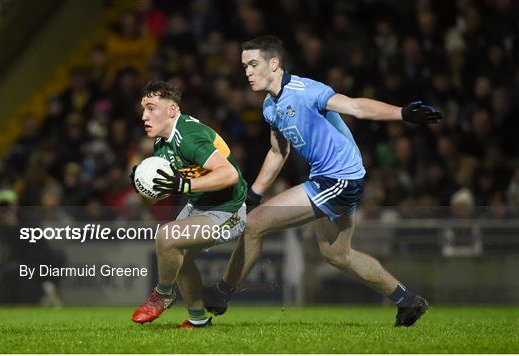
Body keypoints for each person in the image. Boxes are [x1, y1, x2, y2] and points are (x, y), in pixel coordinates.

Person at [204, 35, 442, 327]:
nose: (247, 72)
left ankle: (221, 293)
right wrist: (255, 192)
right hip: (332, 178)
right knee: (337, 254)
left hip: (339, 179)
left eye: (253, 64)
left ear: (274, 63)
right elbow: (279, 151)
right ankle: (407, 302)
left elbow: (355, 107)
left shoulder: (306, 91)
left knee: (254, 225)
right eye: (245, 66)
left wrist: (402, 113)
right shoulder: (270, 106)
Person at [130, 80, 247, 328]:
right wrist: (143, 186)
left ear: (172, 111)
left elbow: (229, 175)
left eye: (151, 108)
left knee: (167, 236)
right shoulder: (161, 143)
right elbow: (160, 194)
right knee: (173, 253)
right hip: (199, 207)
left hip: (229, 211)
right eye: (143, 109)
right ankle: (198, 320)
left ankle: (163, 294)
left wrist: (184, 186)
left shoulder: (189, 136)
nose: (144, 116)